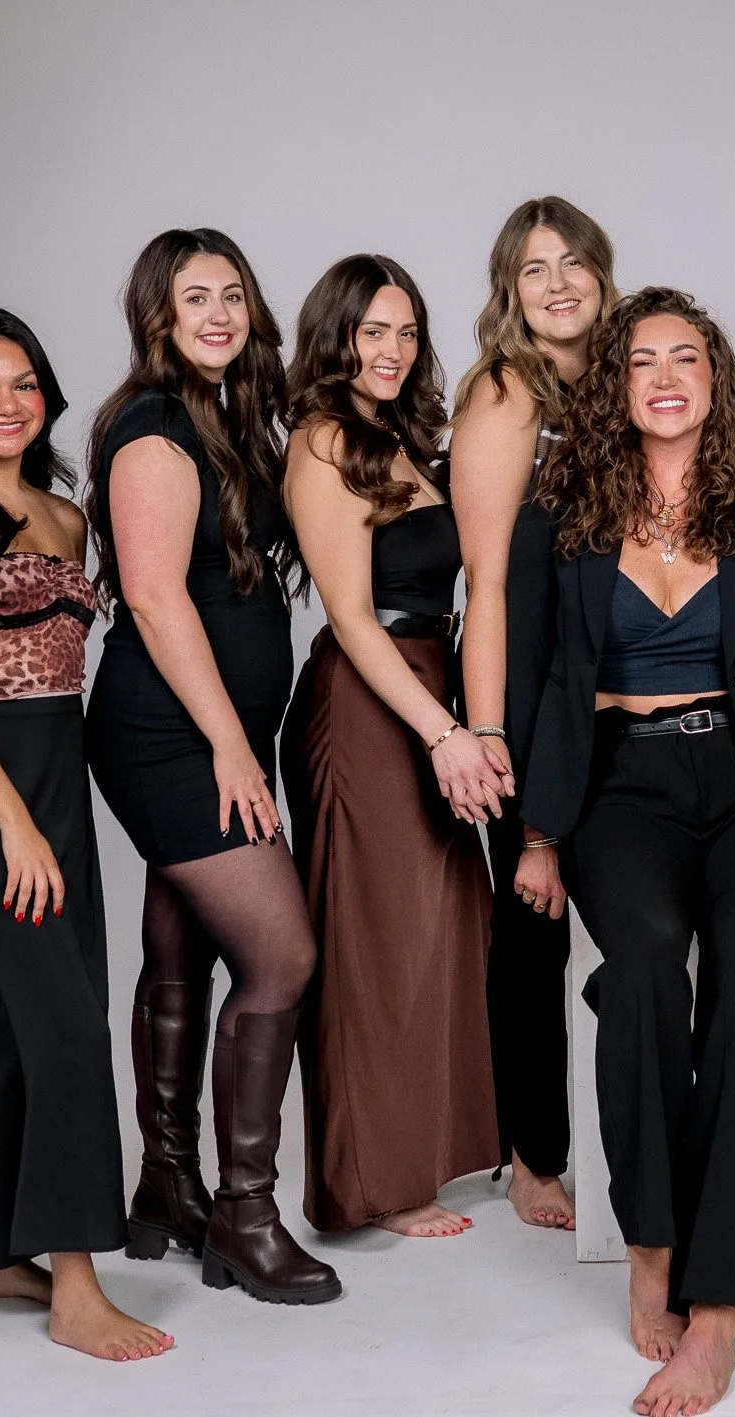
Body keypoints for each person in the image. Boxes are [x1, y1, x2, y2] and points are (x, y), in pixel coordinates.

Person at [507, 287, 735, 1415]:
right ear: (613, 385)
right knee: (648, 971)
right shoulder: (557, 513)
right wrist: (537, 831)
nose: (665, 376)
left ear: (716, 382)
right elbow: (533, 685)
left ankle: (714, 1316)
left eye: (688, 359)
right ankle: (650, 1242)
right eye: (641, 360)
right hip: (622, 787)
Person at [0, 308, 172, 1360]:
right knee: (62, 1024)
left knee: (9, 1017)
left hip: (57, 772)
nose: (6, 405)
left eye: (22, 384)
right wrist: (11, 820)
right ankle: (74, 1280)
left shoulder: (66, 517)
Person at [84, 228, 338, 1305]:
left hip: (205, 731)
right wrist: (235, 745)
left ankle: (166, 1187)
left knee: (180, 947)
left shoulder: (226, 419)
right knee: (281, 958)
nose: (220, 315)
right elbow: (149, 596)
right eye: (195, 298)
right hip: (171, 736)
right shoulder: (151, 430)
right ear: (158, 314)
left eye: (232, 294)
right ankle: (245, 1212)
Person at [280, 255, 506, 1237]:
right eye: (373, 329)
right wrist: (444, 732)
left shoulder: (405, 437)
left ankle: (427, 1153)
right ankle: (365, 1184)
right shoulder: (324, 440)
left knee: (439, 929)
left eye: (407, 330)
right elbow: (351, 615)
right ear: (335, 335)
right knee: (369, 945)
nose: (392, 349)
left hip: (429, 687)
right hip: (370, 702)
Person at [451, 196, 619, 1230]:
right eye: (531, 269)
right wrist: (487, 731)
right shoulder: (506, 394)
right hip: (523, 696)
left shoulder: (612, 383)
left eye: (572, 263)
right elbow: (486, 582)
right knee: (533, 931)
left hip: (608, 691)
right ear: (508, 293)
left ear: (601, 272)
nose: (557, 283)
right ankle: (533, 1154)